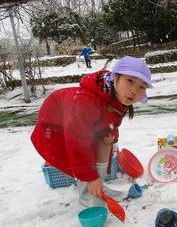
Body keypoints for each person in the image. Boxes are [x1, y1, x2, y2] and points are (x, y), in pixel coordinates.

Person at [31, 56, 152, 207]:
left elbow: (111, 123)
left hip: (78, 130)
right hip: (53, 132)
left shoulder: (117, 98)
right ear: (116, 78)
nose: (134, 90)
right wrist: (90, 177)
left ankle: (97, 189)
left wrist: (111, 135)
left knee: (106, 141)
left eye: (142, 87)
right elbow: (76, 142)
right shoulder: (85, 102)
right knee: (83, 155)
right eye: (130, 81)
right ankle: (87, 195)